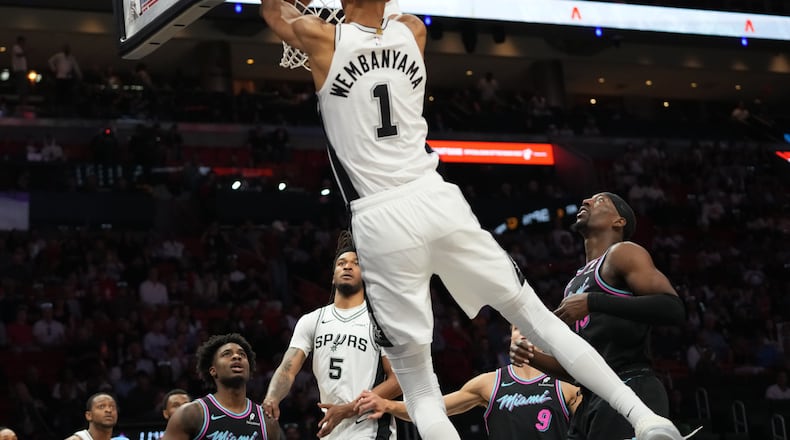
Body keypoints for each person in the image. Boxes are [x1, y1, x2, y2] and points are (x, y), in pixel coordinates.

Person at [260, 2, 683, 439]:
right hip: (436, 197)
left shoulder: (319, 36)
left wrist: (310, 10)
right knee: (538, 318)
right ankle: (647, 419)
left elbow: (274, 11)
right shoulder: (412, 30)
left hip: (379, 215)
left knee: (420, 384)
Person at [510, 192, 686, 440]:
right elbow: (577, 367)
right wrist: (531, 356)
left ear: (619, 222)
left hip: (631, 385)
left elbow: (673, 309)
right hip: (591, 397)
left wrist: (594, 301)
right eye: (588, 199)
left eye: (600, 200)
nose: (586, 201)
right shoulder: (574, 284)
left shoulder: (623, 253)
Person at [263, 231, 401, 439]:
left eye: (356, 263)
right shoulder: (312, 321)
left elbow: (397, 380)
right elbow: (287, 369)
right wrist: (272, 397)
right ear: (333, 277)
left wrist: (348, 409)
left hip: (371, 430)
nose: (347, 266)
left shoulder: (380, 321)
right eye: (341, 263)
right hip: (332, 429)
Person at [355, 326, 581, 440]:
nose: (522, 333)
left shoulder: (565, 385)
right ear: (509, 336)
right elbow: (434, 409)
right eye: (516, 327)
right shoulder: (490, 384)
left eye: (529, 328)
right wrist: (387, 405)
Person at [162, 333, 279, 440]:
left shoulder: (267, 421)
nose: (236, 357)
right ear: (213, 371)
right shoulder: (191, 414)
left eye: (242, 354)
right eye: (226, 354)